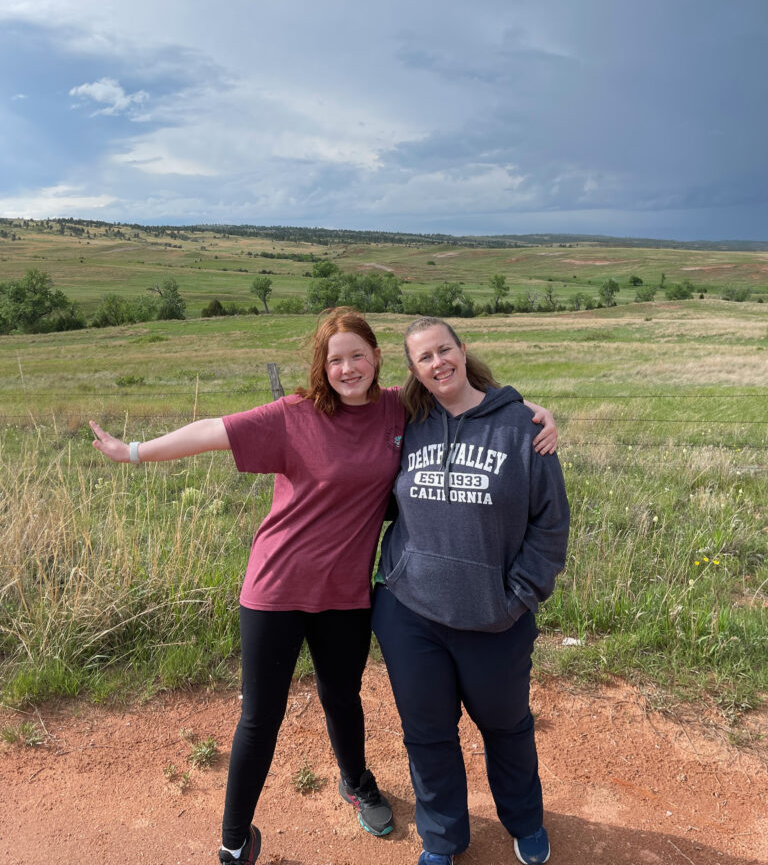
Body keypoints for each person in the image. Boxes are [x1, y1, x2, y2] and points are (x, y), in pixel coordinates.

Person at [89, 308, 558, 865]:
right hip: (298, 591)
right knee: (280, 718)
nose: (348, 367)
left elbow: (477, 414)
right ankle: (241, 840)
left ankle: (381, 789)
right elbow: (216, 431)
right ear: (323, 366)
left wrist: (528, 411)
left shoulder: (398, 409)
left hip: (357, 597)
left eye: (358, 354)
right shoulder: (301, 414)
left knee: (366, 702)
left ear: (379, 361)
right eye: (335, 359)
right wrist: (134, 452)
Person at [372, 316, 569, 865]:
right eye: (424, 358)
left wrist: (517, 596)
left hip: (495, 619)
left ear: (462, 349)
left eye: (444, 350)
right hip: (410, 611)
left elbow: (550, 526)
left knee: (506, 726)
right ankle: (442, 838)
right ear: (413, 371)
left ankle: (524, 820)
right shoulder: (405, 423)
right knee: (427, 733)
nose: (438, 363)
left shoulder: (523, 426)